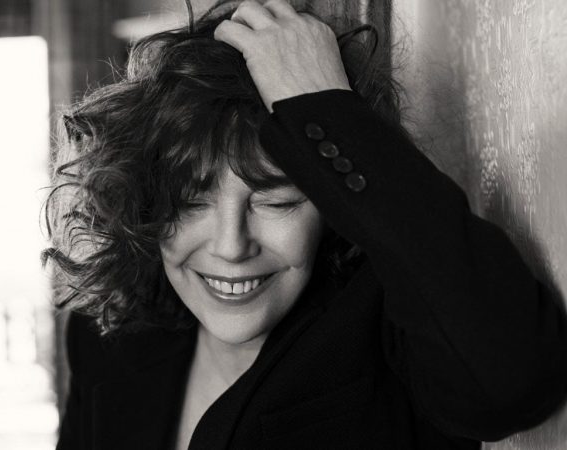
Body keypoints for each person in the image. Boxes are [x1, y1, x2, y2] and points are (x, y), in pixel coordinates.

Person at [44, 0, 567, 449]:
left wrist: (324, 108)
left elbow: (511, 383)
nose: (230, 245)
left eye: (275, 203)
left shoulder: (389, 337)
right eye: (189, 201)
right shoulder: (106, 338)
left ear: (327, 207)